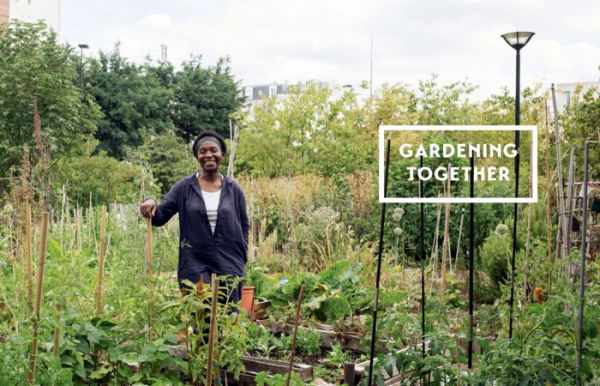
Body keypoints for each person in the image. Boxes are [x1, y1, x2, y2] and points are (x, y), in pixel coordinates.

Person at [139, 130, 249, 304]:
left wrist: (242, 256)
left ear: (222, 154)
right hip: (194, 263)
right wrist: (151, 201)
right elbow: (159, 217)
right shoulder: (184, 187)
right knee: (200, 314)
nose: (208, 155)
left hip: (229, 262)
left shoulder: (234, 189)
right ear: (197, 157)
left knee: (228, 316)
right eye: (202, 151)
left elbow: (244, 225)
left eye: (213, 150)